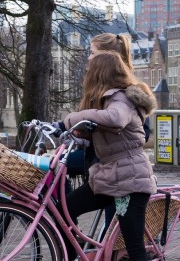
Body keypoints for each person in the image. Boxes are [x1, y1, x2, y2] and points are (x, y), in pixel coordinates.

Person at [63, 51, 157, 260]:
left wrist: (75, 118)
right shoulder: (106, 100)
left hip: (130, 181)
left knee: (135, 249)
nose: (86, 74)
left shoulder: (120, 97)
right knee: (64, 209)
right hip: (110, 176)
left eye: (89, 69)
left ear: (99, 73)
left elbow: (116, 119)